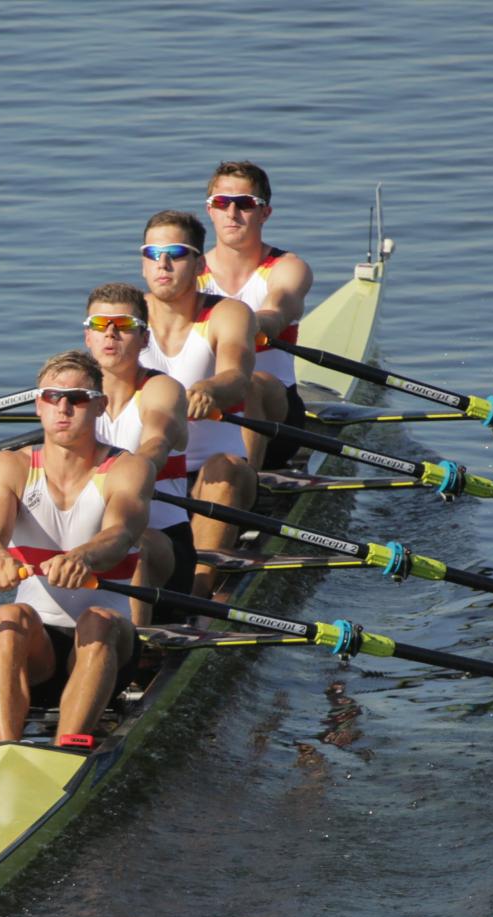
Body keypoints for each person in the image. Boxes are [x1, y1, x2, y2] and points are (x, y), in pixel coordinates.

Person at [0, 351, 155, 744]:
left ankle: (67, 749)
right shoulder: (10, 466)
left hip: (109, 644)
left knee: (97, 619)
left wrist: (83, 557)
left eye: (77, 398)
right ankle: (5, 748)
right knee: (7, 615)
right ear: (38, 405)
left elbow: (120, 534)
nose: (63, 407)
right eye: (52, 396)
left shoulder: (129, 468)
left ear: (100, 406)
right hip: (36, 651)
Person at [137, 209, 258, 597]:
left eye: (176, 253)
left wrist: (209, 389)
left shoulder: (228, 313)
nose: (163, 264)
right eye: (152, 253)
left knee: (225, 469)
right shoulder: (123, 322)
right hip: (151, 472)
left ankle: (199, 593)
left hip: (216, 476)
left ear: (201, 264)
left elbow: (236, 375)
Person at [81, 282, 194, 625]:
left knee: (132, 542)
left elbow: (156, 442)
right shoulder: (69, 400)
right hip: (89, 543)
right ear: (88, 337)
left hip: (161, 547)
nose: (110, 333)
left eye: (124, 325)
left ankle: (135, 644)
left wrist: (125, 475)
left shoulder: (162, 390)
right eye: (100, 325)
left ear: (145, 338)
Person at [197, 160, 315, 470]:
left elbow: (276, 312)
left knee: (249, 383)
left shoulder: (287, 268)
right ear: (210, 210)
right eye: (222, 202)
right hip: (206, 409)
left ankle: (248, 480)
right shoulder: (188, 275)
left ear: (265, 212)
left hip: (276, 418)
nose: (232, 213)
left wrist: (234, 327)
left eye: (245, 204)